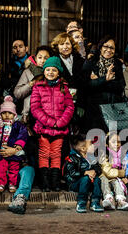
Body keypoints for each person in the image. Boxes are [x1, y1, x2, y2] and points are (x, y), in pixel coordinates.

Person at [30, 56, 75, 192]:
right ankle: (45, 182)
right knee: (44, 153)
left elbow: (69, 107)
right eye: (47, 69)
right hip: (44, 128)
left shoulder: (63, 87)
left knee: (56, 153)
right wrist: (51, 122)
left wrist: (60, 122)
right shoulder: (38, 87)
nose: (50, 72)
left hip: (59, 129)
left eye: (53, 70)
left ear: (58, 72)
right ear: (44, 71)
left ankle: (54, 181)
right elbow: (35, 108)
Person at [82, 35, 125, 132]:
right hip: (94, 109)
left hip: (112, 109)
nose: (108, 50)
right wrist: (105, 79)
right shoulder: (91, 63)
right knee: (95, 140)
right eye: (105, 46)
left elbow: (120, 86)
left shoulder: (118, 64)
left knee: (111, 140)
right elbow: (86, 86)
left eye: (112, 48)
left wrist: (98, 81)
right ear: (100, 48)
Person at [0, 96, 28, 193]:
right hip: (0, 153)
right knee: (0, 168)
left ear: (14, 114)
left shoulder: (17, 125)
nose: (7, 115)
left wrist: (18, 145)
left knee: (14, 168)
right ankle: (1, 184)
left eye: (10, 113)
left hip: (13, 152)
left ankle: (12, 184)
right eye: (4, 113)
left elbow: (23, 134)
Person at [65, 134, 104, 213]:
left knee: (97, 180)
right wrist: (85, 172)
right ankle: (81, 202)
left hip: (89, 182)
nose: (93, 145)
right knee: (85, 179)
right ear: (83, 149)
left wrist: (94, 172)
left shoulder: (91, 157)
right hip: (75, 183)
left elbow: (98, 168)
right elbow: (72, 173)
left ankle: (95, 202)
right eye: (90, 144)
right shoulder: (72, 158)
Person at [14, 45, 52, 124]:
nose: (42, 61)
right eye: (40, 57)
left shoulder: (53, 73)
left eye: (46, 58)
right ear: (35, 58)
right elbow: (17, 94)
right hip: (30, 114)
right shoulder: (28, 72)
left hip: (48, 113)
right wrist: (31, 84)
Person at [100, 132, 128, 211]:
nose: (117, 144)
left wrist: (123, 177)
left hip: (115, 178)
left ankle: (121, 201)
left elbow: (125, 168)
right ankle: (109, 199)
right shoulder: (104, 154)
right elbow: (107, 171)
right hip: (106, 177)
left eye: (119, 142)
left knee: (117, 183)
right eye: (113, 142)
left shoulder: (123, 155)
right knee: (103, 179)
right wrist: (120, 173)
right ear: (107, 144)